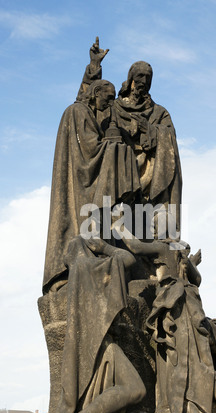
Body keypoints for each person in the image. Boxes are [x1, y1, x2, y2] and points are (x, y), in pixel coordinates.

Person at [119, 232, 216, 413]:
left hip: (180, 312)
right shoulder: (179, 251)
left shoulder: (163, 248)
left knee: (193, 369)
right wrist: (192, 263)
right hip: (190, 308)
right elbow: (197, 279)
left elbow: (134, 247)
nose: (153, 232)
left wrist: (116, 223)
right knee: (195, 368)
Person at [42, 40, 140, 294]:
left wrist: (94, 66)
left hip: (84, 177)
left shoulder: (85, 107)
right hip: (80, 179)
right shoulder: (78, 111)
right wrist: (116, 147)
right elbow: (90, 148)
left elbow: (86, 95)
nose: (108, 106)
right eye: (106, 101)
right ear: (96, 96)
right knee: (81, 225)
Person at [46, 236, 146, 413]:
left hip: (93, 344)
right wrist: (106, 247)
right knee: (136, 388)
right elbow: (128, 259)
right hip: (101, 344)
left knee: (134, 388)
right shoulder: (90, 267)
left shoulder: (76, 274)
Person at [113, 60, 183, 235]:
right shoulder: (114, 108)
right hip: (122, 166)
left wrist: (149, 129)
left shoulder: (159, 112)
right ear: (131, 79)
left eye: (148, 78)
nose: (144, 81)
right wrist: (92, 70)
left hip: (150, 170)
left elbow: (170, 137)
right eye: (140, 76)